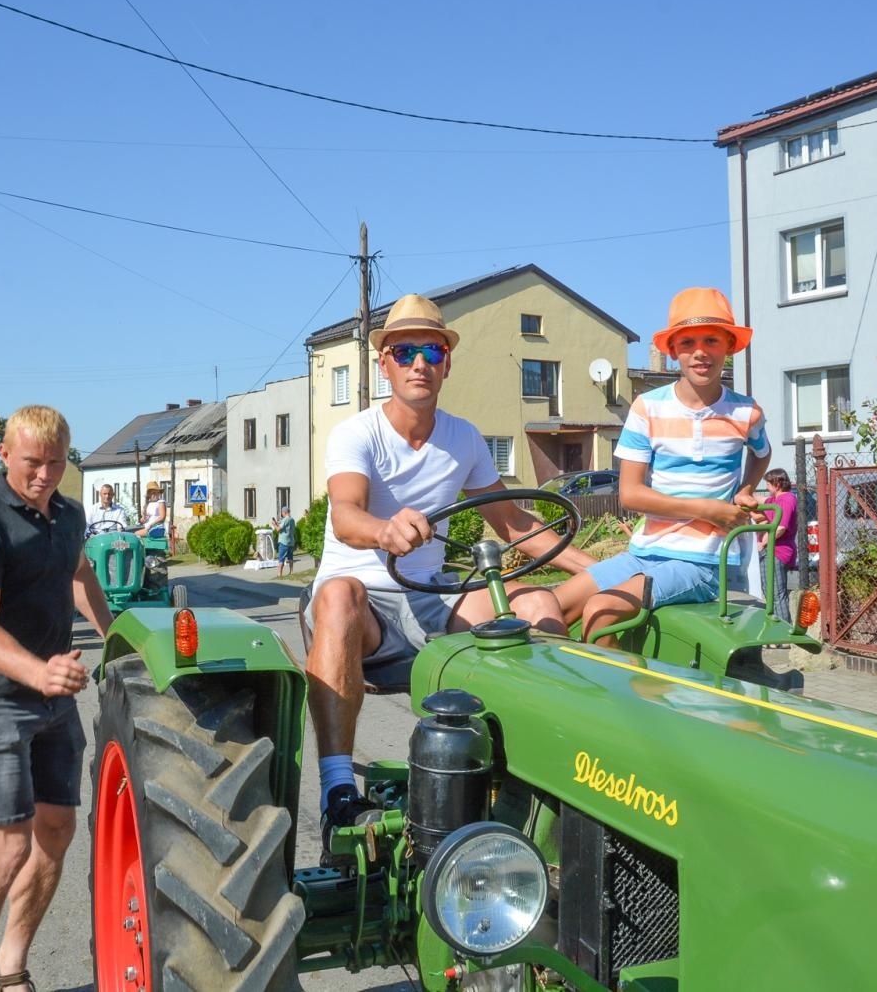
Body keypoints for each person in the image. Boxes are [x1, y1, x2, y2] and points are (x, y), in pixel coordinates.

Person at [302, 293, 595, 843]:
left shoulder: (463, 437)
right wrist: (384, 531)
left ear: (447, 363)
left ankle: (542, 779)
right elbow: (345, 515)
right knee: (339, 593)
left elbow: (512, 523)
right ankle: (338, 790)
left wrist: (600, 567)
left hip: (430, 597)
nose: (420, 363)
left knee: (536, 602)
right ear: (385, 363)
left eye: (432, 351)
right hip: (363, 604)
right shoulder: (357, 433)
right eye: (405, 351)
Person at [0, 406, 115, 992]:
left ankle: (10, 964)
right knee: (7, 849)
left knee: (58, 829)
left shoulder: (69, 514)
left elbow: (79, 573)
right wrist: (41, 673)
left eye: (57, 463)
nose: (44, 475)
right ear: (4, 454)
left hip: (54, 702)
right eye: (32, 463)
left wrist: (115, 637)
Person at [555, 287, 771, 641]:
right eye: (687, 343)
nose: (700, 352)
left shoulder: (746, 412)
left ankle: (614, 679)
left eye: (712, 340)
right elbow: (631, 495)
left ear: (730, 346)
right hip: (645, 551)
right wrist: (707, 510)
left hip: (702, 561)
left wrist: (745, 489)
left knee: (603, 609)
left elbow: (762, 453)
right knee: (548, 606)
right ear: (672, 351)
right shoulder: (648, 408)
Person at [761, 468, 799, 623]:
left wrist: (763, 542)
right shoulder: (773, 500)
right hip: (770, 551)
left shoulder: (787, 499)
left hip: (778, 552)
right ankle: (775, 625)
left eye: (768, 484)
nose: (766, 487)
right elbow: (759, 500)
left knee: (777, 595)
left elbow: (781, 528)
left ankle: (783, 629)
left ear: (776, 484)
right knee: (769, 592)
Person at [272, 506, 297, 577]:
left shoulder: (285, 519)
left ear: (284, 512)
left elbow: (278, 529)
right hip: (291, 542)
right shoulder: (292, 519)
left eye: (282, 513)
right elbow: (285, 528)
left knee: (281, 558)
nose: (282, 514)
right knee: (290, 558)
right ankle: (291, 572)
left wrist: (274, 525)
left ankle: (279, 574)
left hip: (284, 542)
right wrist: (277, 523)